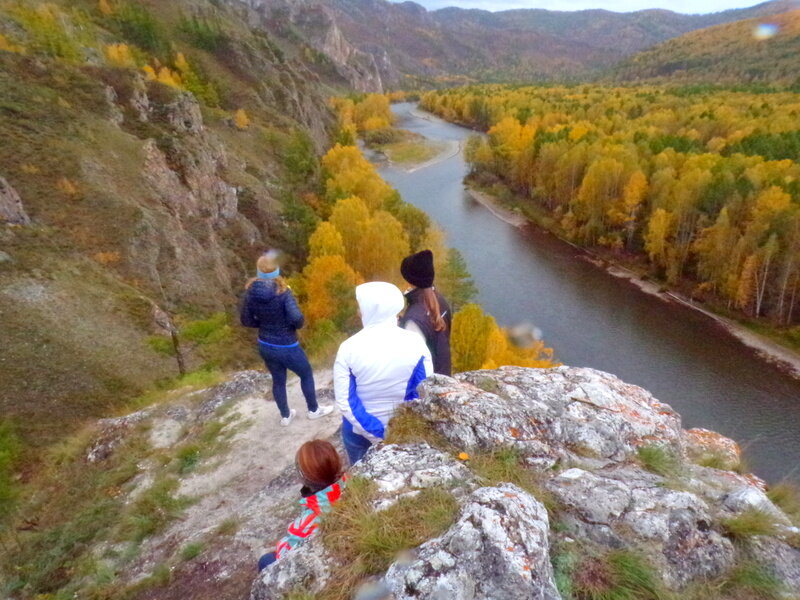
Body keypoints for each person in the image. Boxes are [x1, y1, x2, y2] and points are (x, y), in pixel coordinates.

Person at [334, 281, 433, 464]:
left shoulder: (348, 349)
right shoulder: (416, 343)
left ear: (368, 311)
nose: (359, 312)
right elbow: (422, 390)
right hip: (401, 427)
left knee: (361, 476)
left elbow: (346, 402)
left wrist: (377, 433)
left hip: (358, 432)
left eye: (361, 307)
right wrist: (394, 431)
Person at [240, 251, 333, 426]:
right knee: (305, 373)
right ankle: (313, 410)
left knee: (278, 379)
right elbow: (297, 319)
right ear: (276, 270)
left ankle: (285, 416)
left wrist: (263, 325)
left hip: (265, 344)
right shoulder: (283, 292)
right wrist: (291, 327)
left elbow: (246, 320)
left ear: (259, 271)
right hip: (287, 344)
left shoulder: (250, 293)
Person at [258, 440, 346, 571]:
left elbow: (285, 555)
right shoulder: (353, 484)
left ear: (303, 477)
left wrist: (279, 545)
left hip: (318, 566)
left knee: (265, 561)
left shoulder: (307, 523)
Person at [399, 249, 453, 376]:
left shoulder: (414, 320)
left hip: (428, 384)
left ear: (409, 280)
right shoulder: (440, 301)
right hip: (443, 373)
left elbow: (412, 362)